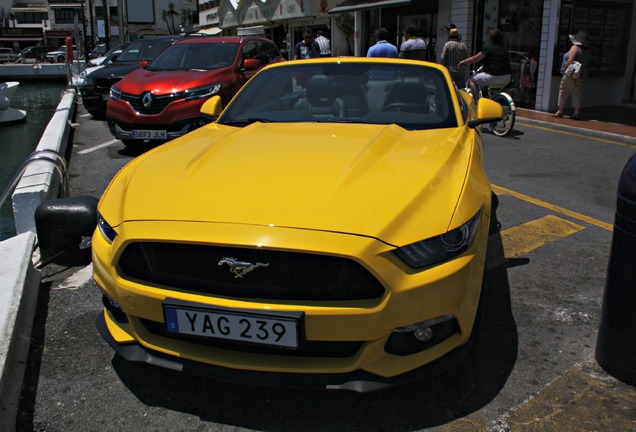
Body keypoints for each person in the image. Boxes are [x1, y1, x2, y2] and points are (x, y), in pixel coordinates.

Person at [458, 28, 512, 101]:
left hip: (493, 77)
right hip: (506, 77)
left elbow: (475, 59)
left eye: (488, 36)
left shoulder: (488, 48)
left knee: (472, 80)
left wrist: (463, 62)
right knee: (496, 88)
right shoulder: (505, 48)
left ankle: (477, 102)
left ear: (491, 38)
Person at [553, 31, 589, 120]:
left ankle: (560, 111)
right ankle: (576, 113)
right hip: (580, 76)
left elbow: (570, 60)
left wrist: (565, 70)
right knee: (577, 94)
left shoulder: (575, 48)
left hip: (570, 75)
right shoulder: (586, 51)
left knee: (563, 92)